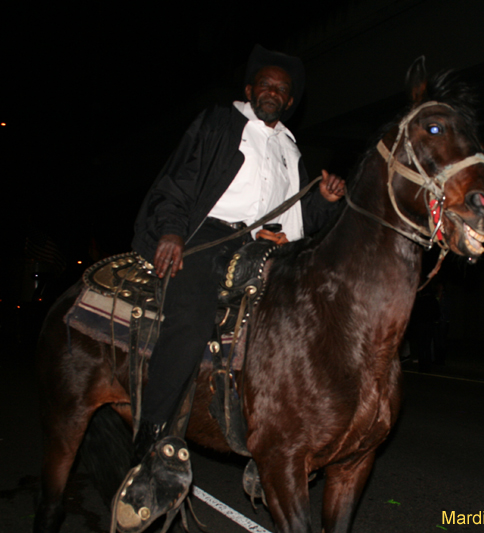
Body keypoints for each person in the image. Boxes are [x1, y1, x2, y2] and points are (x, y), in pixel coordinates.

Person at [130, 45, 345, 465]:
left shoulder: (291, 149)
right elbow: (181, 178)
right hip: (211, 235)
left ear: (289, 101)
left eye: (281, 89)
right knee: (191, 319)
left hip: (268, 244)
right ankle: (152, 428)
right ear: (249, 90)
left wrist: (323, 199)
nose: (272, 92)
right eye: (265, 84)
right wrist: (172, 230)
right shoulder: (219, 124)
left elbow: (299, 219)